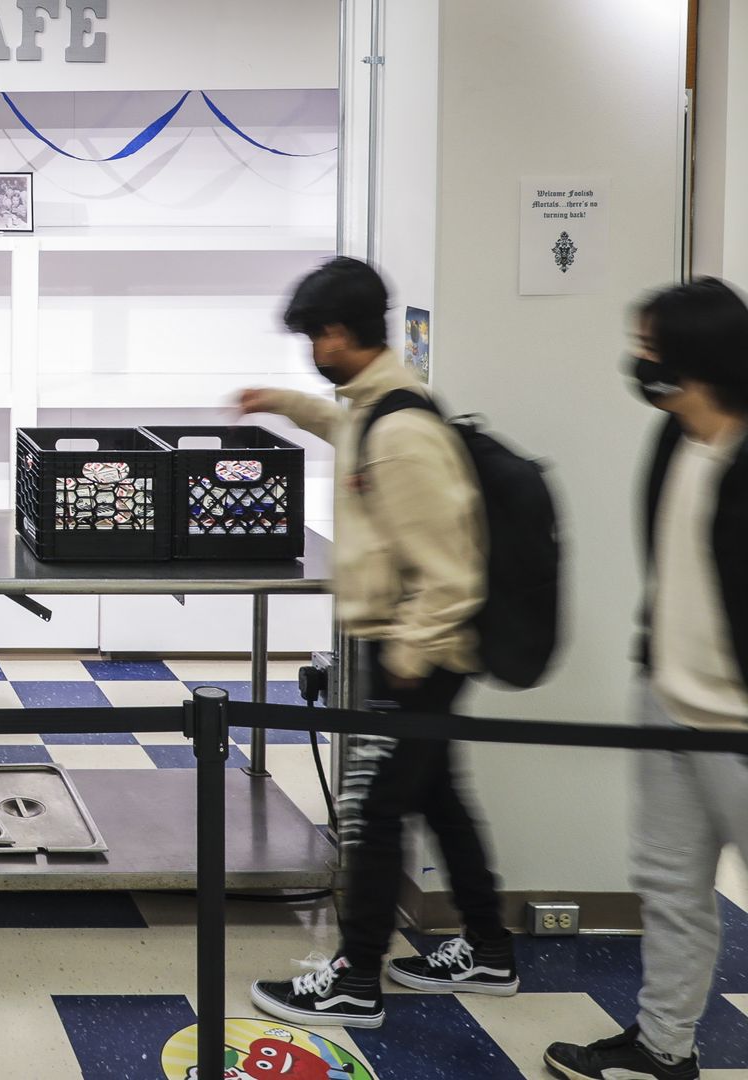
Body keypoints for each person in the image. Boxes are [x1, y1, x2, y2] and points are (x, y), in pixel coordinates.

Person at [239, 257, 514, 1029]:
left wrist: (405, 661)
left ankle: (356, 981)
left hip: (416, 662)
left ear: (336, 334)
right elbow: (343, 428)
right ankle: (490, 949)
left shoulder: (399, 432)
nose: (308, 351)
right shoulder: (381, 406)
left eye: (310, 338)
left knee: (370, 813)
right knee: (441, 801)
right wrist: (283, 404)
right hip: (419, 661)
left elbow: (453, 575)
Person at [543, 278, 748, 1080]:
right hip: (664, 705)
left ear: (696, 358)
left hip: (741, 727)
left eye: (651, 346)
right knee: (668, 888)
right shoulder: (673, 437)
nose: (637, 359)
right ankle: (665, 1045)